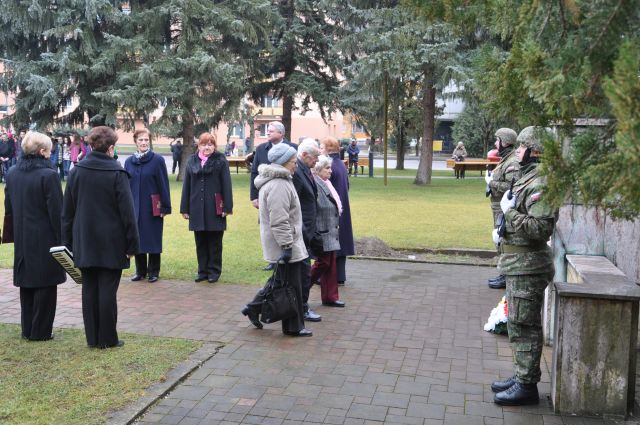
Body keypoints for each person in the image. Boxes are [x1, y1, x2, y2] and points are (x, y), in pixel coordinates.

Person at [490, 126, 557, 406]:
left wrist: (510, 214)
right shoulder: (528, 176)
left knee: (524, 326)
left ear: (534, 150)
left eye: (521, 147)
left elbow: (540, 229)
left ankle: (527, 386)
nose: (517, 151)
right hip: (519, 263)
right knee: (518, 324)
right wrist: (503, 228)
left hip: (528, 265)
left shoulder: (540, 182)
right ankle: (521, 376)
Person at [62, 126, 139, 349]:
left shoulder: (76, 171)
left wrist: (67, 242)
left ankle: (93, 338)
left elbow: (67, 212)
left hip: (84, 240)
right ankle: (107, 338)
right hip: (111, 241)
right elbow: (128, 213)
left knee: (89, 289)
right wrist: (132, 245)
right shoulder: (117, 173)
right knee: (107, 290)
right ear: (111, 148)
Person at [241, 142, 312, 337]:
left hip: (287, 241)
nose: (296, 164)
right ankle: (293, 327)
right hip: (285, 243)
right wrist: (287, 246)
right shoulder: (279, 185)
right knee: (292, 286)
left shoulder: (282, 180)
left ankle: (253, 308)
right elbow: (279, 220)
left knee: (280, 280)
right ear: (283, 162)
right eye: (293, 161)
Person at [4, 131, 66, 341]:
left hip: (22, 235)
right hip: (45, 237)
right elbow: (57, 213)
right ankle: (40, 332)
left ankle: (28, 329)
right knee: (46, 284)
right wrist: (64, 241)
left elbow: (8, 207)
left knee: (27, 282)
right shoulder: (49, 175)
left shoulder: (12, 173)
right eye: (49, 150)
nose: (50, 153)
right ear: (42, 151)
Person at [180, 132, 233, 283]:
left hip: (215, 207)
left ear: (214, 146)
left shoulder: (220, 160)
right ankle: (202, 271)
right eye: (204, 144)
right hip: (196, 207)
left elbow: (226, 184)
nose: (207, 147)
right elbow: (187, 186)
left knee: (214, 242)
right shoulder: (192, 161)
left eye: (210, 144)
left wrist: (227, 207)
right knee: (200, 242)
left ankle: (214, 271)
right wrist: (185, 208)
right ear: (199, 146)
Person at [125, 129, 171, 283]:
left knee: (153, 238)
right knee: (137, 237)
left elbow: (163, 184)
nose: (143, 143)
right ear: (135, 142)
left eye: (146, 140)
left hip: (152, 207)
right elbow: (126, 186)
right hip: (134, 206)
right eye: (140, 140)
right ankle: (140, 271)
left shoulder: (157, 160)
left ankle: (154, 271)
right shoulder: (129, 162)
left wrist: (165, 207)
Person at [249, 121, 297, 271]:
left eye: (271, 131)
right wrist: (254, 196)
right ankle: (273, 259)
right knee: (270, 226)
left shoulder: (293, 148)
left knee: (285, 224)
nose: (268, 133)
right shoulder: (261, 149)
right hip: (266, 194)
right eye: (267, 130)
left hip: (286, 194)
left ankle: (289, 255)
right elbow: (255, 172)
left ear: (281, 133)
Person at [485, 128, 521, 289]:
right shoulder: (506, 159)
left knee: (503, 241)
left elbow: (511, 187)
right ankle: (504, 274)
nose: (495, 143)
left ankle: (506, 276)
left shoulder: (512, 162)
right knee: (499, 240)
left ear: (505, 142)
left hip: (504, 209)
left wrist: (491, 182)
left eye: (497, 140)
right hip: (499, 208)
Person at [292, 138, 322, 323]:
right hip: (300, 232)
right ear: (304, 155)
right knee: (302, 273)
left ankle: (255, 306)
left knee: (296, 273)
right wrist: (301, 229)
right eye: (315, 157)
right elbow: (292, 205)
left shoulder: (306, 170)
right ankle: (302, 308)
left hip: (308, 230)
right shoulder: (297, 173)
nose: (317, 161)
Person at [310, 155, 345, 307]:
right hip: (322, 230)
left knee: (331, 264)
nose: (331, 171)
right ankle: (301, 287)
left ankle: (330, 297)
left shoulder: (326, 183)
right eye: (327, 168)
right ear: (318, 170)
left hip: (330, 230)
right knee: (323, 263)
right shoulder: (315, 183)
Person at [320, 137, 354, 286]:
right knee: (341, 242)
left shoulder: (329, 165)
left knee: (331, 242)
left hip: (333, 208)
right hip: (342, 206)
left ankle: (327, 276)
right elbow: (347, 185)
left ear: (328, 149)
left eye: (322, 147)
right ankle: (340, 276)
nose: (320, 150)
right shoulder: (340, 163)